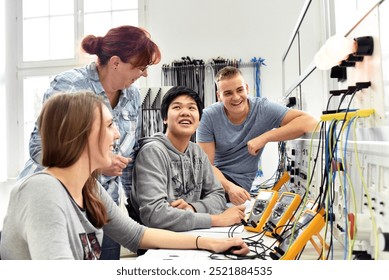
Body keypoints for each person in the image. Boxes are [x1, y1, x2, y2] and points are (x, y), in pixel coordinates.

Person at [0, 92, 249, 260]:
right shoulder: (43, 191)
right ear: (79, 133)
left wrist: (207, 242)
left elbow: (137, 234)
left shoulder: (89, 188)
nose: (118, 135)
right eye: (109, 126)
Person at [17, 25, 161, 259]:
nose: (144, 74)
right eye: (141, 67)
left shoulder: (133, 95)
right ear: (115, 63)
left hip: (103, 203)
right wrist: (94, 164)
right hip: (58, 201)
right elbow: (39, 147)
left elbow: (128, 160)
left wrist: (137, 211)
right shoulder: (71, 85)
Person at [128, 86, 246, 232]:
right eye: (177, 107)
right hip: (161, 242)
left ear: (199, 119)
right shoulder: (152, 152)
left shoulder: (197, 152)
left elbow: (218, 195)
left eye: (192, 108)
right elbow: (154, 214)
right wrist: (217, 220)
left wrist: (193, 208)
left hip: (194, 232)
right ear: (165, 118)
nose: (185, 113)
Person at [196, 66, 318, 206]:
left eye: (239, 90)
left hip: (239, 183)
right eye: (228, 93)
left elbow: (310, 122)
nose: (236, 97)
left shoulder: (262, 109)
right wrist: (229, 187)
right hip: (215, 178)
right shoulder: (208, 116)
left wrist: (264, 137)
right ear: (219, 96)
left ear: (247, 88)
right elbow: (206, 165)